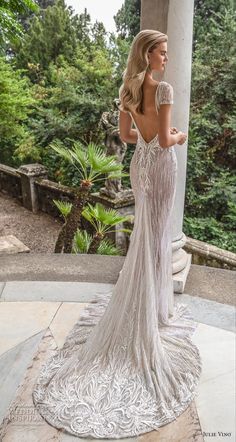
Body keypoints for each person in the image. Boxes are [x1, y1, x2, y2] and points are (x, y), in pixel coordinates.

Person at [32, 29, 202, 439]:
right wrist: (180, 136)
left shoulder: (127, 89)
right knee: (156, 240)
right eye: (161, 52)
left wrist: (152, 138)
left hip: (139, 167)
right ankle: (149, 315)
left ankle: (152, 308)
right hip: (160, 165)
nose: (166, 57)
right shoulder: (164, 90)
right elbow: (165, 140)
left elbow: (128, 137)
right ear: (147, 53)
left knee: (147, 238)